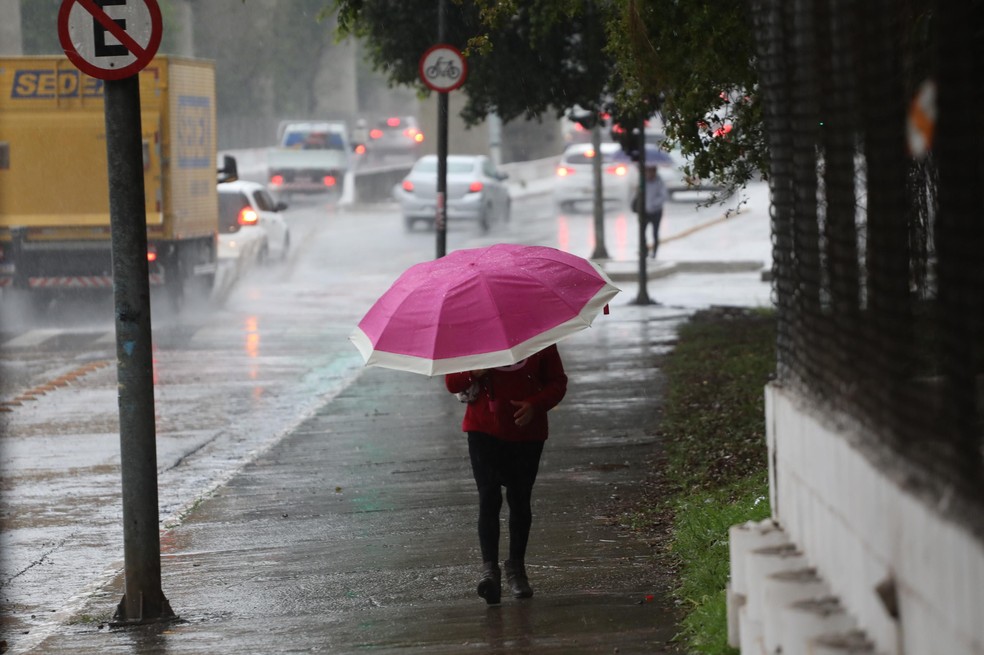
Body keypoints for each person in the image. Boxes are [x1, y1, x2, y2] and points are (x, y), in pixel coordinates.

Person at [445, 344, 568, 605]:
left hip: (528, 434)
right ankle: (489, 571)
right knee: (488, 498)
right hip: (482, 431)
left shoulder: (541, 338)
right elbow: (452, 382)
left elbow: (557, 382)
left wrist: (535, 405)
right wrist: (473, 373)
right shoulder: (474, 336)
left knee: (520, 499)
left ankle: (517, 570)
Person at [635, 163, 668, 259]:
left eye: (651, 171)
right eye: (647, 171)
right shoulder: (642, 181)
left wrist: (653, 205)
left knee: (655, 233)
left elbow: (663, 196)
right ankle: (644, 252)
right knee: (642, 233)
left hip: (656, 211)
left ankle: (654, 253)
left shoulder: (659, 181)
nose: (649, 173)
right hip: (644, 212)